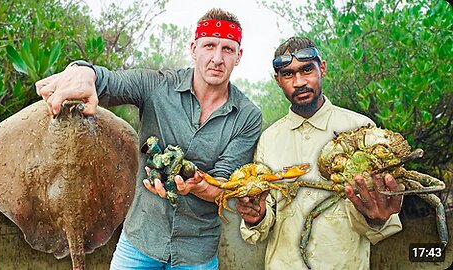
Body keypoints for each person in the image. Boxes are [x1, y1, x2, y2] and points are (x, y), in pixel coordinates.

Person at [35, 8, 262, 270]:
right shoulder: (156, 85)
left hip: (196, 253)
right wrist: (83, 72)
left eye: (227, 49)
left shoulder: (247, 116)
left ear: (239, 56)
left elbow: (224, 185)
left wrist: (197, 185)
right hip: (140, 241)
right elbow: (110, 81)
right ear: (194, 48)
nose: (217, 58)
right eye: (209, 46)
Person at [236, 37, 403, 269]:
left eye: (307, 70)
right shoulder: (269, 139)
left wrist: (377, 218)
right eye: (288, 74)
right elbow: (265, 218)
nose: (299, 82)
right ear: (277, 80)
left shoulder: (363, 129)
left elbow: (381, 219)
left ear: (321, 68)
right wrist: (256, 217)